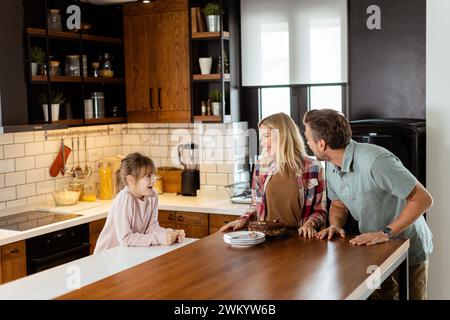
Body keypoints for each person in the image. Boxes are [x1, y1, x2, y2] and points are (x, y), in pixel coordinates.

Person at [302, 109, 433, 300]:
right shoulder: (331, 164)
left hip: (408, 247)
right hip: (373, 249)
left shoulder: (376, 161)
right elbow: (339, 204)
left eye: (308, 139)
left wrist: (385, 232)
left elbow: (423, 199)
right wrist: (335, 225)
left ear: (321, 144)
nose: (307, 143)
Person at [220, 112, 327, 237]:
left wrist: (310, 224)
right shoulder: (261, 166)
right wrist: (242, 220)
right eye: (261, 138)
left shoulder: (313, 167)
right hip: (265, 238)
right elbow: (255, 205)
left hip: (299, 240)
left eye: (266, 136)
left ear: (282, 135)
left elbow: (320, 210)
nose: (262, 143)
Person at [94, 153, 185, 253]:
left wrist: (170, 233)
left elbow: (152, 228)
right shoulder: (125, 198)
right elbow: (126, 238)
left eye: (154, 175)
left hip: (126, 253)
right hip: (107, 256)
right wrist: (159, 238)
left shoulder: (152, 196)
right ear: (131, 180)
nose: (154, 180)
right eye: (148, 176)